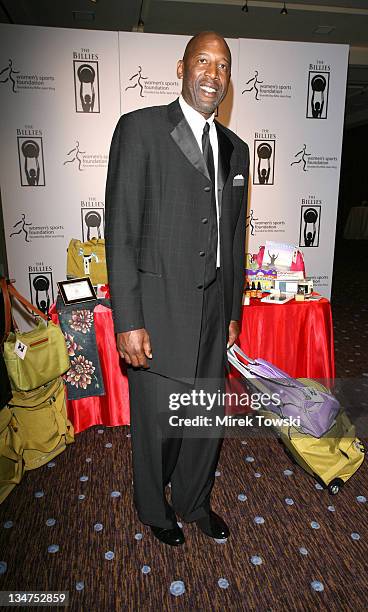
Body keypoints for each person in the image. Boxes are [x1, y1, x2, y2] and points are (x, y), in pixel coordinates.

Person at [105, 31, 249, 547]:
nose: (213, 74)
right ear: (181, 67)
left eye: (223, 66)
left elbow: (234, 238)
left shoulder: (236, 150)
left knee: (206, 420)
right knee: (158, 424)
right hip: (158, 308)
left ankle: (192, 501)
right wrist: (128, 319)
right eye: (203, 62)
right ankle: (154, 508)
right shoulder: (140, 130)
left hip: (214, 308)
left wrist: (232, 311)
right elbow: (120, 231)